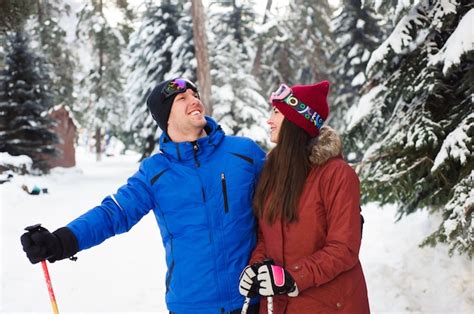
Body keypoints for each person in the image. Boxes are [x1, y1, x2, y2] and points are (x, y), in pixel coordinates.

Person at [20, 78, 265, 314]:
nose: (194, 100)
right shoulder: (155, 172)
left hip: (251, 300)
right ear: (166, 115)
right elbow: (113, 213)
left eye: (195, 95)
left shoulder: (244, 153)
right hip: (191, 304)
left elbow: (289, 198)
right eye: (182, 98)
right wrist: (61, 241)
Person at [238, 81, 370, 313]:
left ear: (296, 120)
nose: (269, 120)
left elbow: (344, 248)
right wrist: (257, 267)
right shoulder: (273, 173)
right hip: (280, 306)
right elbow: (263, 237)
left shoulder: (336, 174)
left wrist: (291, 277)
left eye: (277, 112)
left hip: (329, 304)